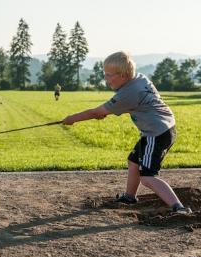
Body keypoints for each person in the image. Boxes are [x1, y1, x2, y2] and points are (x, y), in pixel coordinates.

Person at [62, 51, 192, 215]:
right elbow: (140, 103)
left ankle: (178, 207)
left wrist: (72, 119)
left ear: (123, 75)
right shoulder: (138, 78)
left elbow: (97, 112)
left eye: (109, 75)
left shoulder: (127, 93)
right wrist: (113, 110)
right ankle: (129, 197)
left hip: (157, 132)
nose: (106, 79)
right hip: (161, 127)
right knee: (133, 162)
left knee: (147, 176)